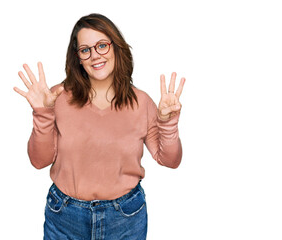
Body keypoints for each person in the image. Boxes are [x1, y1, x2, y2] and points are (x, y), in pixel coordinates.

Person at [14, 13, 185, 240]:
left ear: (116, 47)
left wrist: (168, 123)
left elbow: (170, 160)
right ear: (78, 58)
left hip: (126, 219)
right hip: (65, 217)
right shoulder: (56, 97)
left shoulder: (141, 102)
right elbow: (39, 161)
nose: (95, 55)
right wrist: (42, 114)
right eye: (85, 50)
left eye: (102, 45)